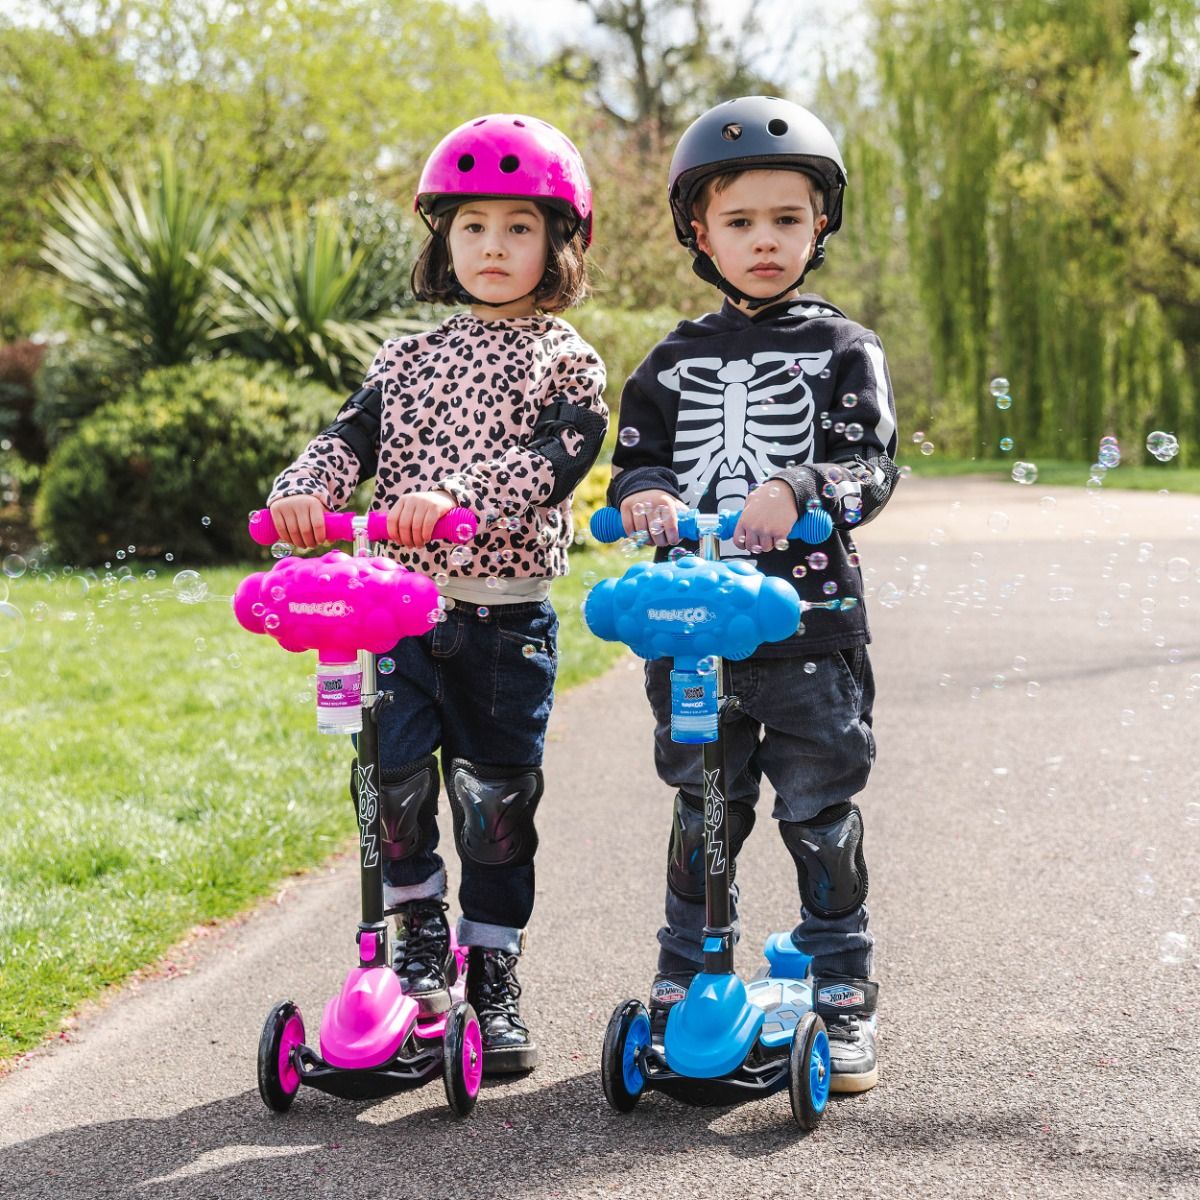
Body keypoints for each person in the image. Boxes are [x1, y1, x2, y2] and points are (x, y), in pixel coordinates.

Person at [266, 114, 608, 1075]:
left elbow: (557, 459)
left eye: (517, 228)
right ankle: (418, 935)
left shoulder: (566, 358)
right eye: (471, 227)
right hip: (398, 616)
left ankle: (492, 969)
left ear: (557, 244)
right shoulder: (404, 361)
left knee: (495, 802)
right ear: (441, 241)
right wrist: (306, 491)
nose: (492, 247)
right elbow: (347, 440)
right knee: (395, 782)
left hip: (504, 616)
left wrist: (458, 493)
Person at [607, 96, 899, 1093]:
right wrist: (644, 498)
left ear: (820, 225)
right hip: (691, 632)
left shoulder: (844, 349)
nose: (764, 240)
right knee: (703, 810)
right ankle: (690, 973)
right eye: (740, 221)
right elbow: (633, 466)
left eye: (786, 218)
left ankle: (839, 980)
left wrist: (801, 485)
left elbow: (871, 468)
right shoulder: (669, 360)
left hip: (810, 634)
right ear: (700, 231)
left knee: (819, 811)